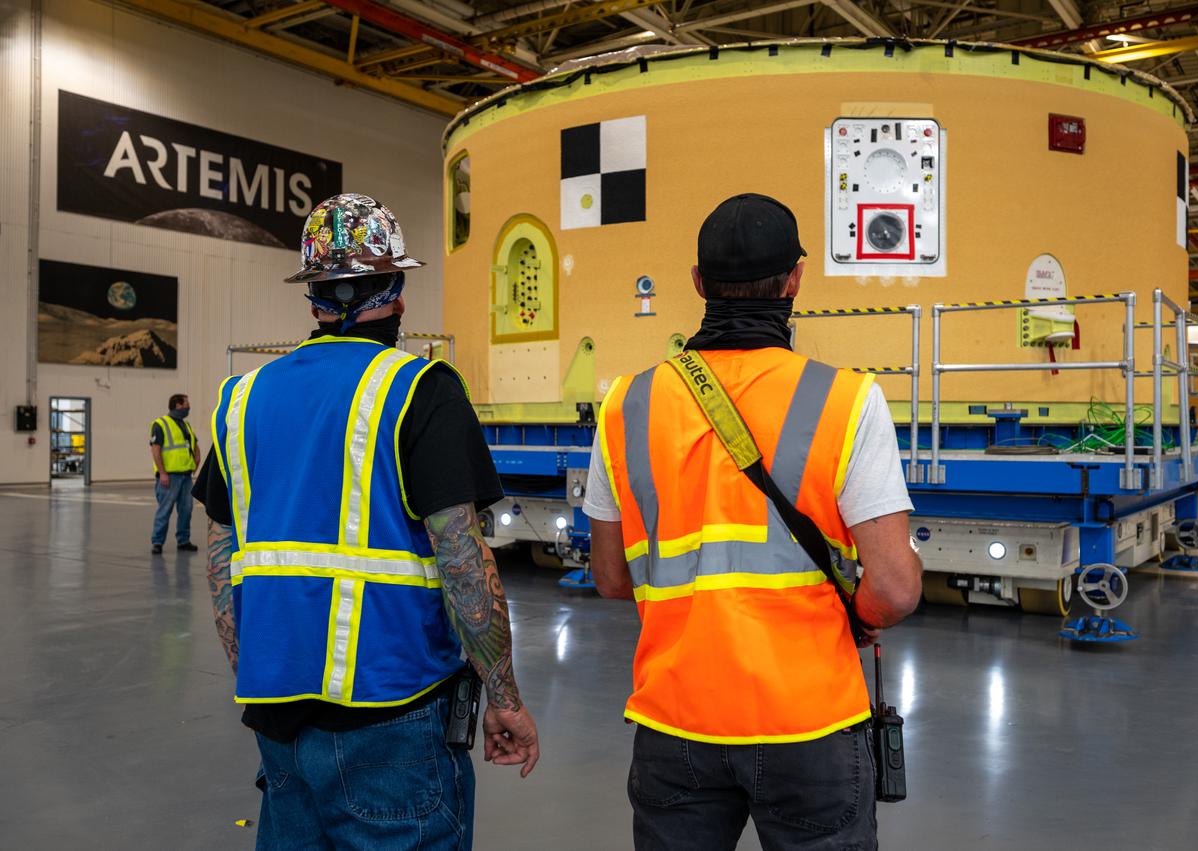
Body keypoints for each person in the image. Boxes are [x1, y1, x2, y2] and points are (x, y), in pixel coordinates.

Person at [193, 193, 539, 850]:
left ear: (314, 299)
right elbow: (463, 557)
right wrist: (504, 695)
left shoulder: (241, 399)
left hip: (277, 721)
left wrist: (255, 672)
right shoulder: (420, 388)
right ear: (397, 291)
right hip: (394, 719)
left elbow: (221, 561)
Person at [583, 193, 923, 851]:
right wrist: (858, 610)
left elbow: (611, 577)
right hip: (810, 725)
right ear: (795, 279)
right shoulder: (847, 398)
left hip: (674, 720)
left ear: (698, 283)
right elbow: (895, 589)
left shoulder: (627, 403)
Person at [150, 393, 200, 555]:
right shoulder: (160, 424)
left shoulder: (185, 425)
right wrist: (162, 473)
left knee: (186, 510)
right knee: (164, 510)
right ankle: (157, 542)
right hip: (170, 476)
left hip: (186, 476)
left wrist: (196, 461)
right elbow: (155, 449)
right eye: (186, 404)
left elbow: (194, 443)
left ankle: (183, 540)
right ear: (177, 405)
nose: (188, 407)